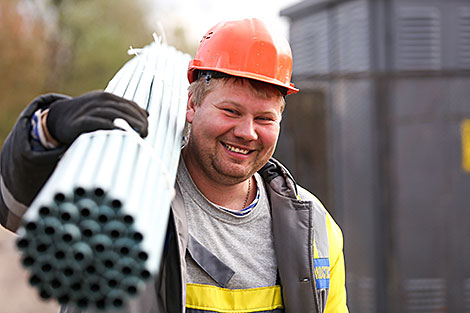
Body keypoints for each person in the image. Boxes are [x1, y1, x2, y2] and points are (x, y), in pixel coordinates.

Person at [0, 18, 348, 313]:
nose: (247, 132)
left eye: (264, 118)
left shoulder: (314, 227)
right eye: (230, 111)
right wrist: (44, 130)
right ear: (192, 106)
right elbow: (14, 210)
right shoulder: (132, 189)